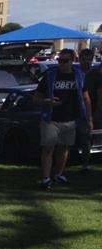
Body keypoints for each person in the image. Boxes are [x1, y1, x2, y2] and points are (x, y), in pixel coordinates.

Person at [33, 48, 93, 188]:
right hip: (50, 119)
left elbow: (86, 98)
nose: (61, 63)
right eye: (60, 60)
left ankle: (59, 174)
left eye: (65, 61)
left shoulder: (79, 76)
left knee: (64, 148)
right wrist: (48, 102)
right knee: (48, 148)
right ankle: (46, 178)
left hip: (70, 120)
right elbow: (36, 98)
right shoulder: (50, 76)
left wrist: (89, 119)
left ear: (72, 61)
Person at [78, 48, 102, 172]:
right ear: (79, 60)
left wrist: (96, 113)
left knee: (86, 140)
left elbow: (100, 95)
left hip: (90, 111)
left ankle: (85, 165)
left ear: (92, 60)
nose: (86, 62)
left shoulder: (97, 75)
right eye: (83, 59)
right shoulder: (75, 73)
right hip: (75, 110)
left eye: (88, 59)